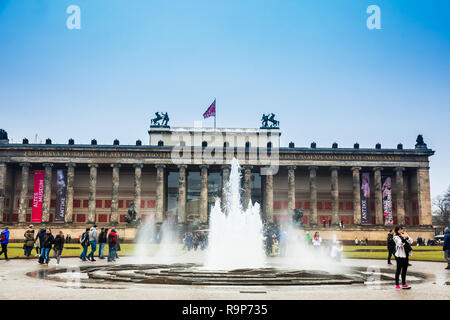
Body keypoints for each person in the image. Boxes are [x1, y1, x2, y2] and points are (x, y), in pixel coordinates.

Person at [393, 225, 413, 290]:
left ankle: (404, 284)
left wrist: (406, 238)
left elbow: (411, 241)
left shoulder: (405, 235)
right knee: (398, 270)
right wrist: (404, 238)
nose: (401, 231)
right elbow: (399, 244)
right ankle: (397, 284)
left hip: (406, 254)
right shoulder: (396, 237)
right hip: (399, 255)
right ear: (397, 231)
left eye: (401, 229)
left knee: (404, 270)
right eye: (399, 230)